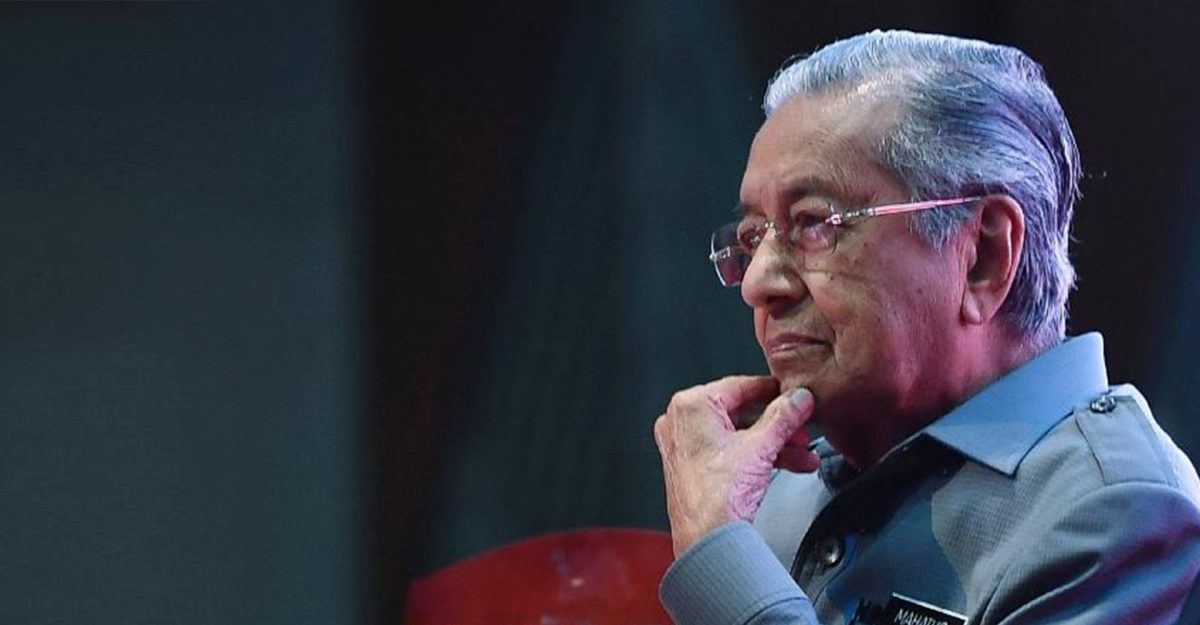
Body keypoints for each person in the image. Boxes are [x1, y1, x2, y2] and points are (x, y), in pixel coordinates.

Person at [652, 30, 1200, 625]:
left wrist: (720, 556)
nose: (758, 282)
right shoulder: (773, 485)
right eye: (753, 236)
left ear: (983, 256)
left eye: (813, 224)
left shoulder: (1111, 507)